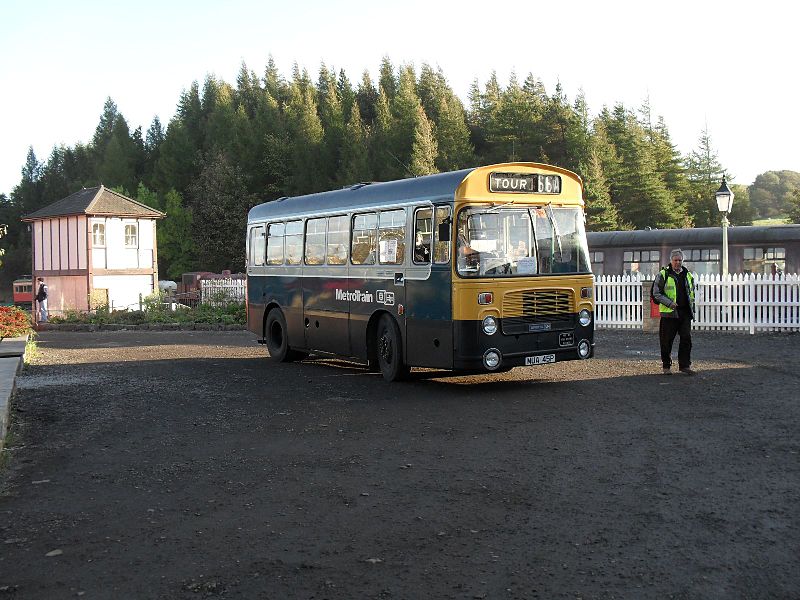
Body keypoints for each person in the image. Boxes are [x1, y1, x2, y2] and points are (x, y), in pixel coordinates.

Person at [652, 249, 696, 375]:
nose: (678, 262)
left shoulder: (688, 275)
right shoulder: (663, 274)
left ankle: (685, 366)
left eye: (680, 260)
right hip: (669, 314)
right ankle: (666, 366)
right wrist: (669, 303)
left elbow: (691, 293)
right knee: (666, 341)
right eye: (675, 260)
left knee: (686, 339)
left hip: (685, 313)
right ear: (671, 261)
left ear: (682, 261)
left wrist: (692, 308)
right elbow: (656, 293)